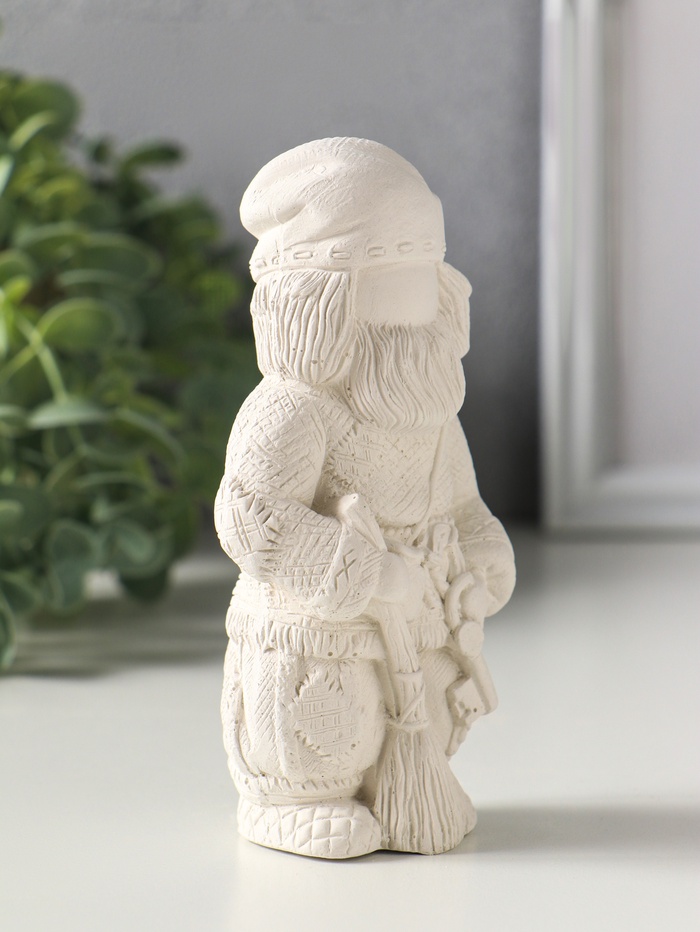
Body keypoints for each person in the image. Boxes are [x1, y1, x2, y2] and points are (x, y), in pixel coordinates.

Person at [215, 138, 515, 858]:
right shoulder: (292, 409)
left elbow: (465, 507)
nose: (418, 297)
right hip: (322, 630)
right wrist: (368, 574)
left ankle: (403, 792)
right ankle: (291, 802)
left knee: (423, 712)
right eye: (391, 274)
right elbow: (250, 515)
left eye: (425, 271)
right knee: (329, 717)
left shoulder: (431, 414)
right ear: (319, 297)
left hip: (421, 625)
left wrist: (483, 567)